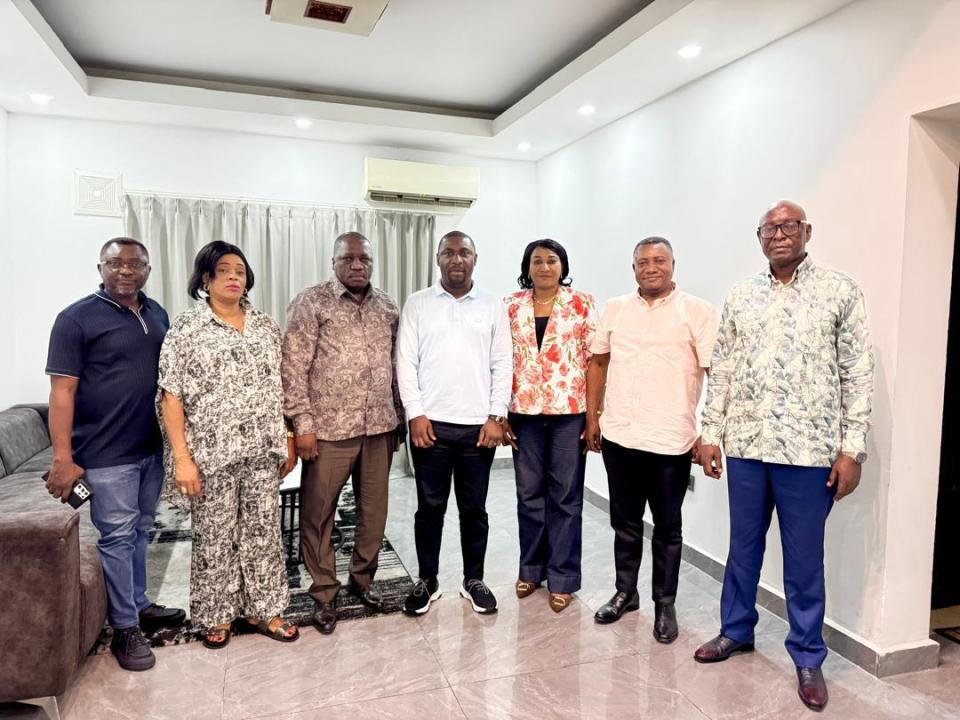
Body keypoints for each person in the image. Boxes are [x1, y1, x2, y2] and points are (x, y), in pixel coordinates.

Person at [694, 201, 874, 712]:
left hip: (810, 452)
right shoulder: (742, 296)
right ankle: (736, 631)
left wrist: (851, 448)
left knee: (803, 560)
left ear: (806, 232)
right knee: (742, 547)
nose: (779, 234)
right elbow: (722, 369)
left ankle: (808, 655)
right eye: (770, 228)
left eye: (788, 226)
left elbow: (857, 372)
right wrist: (711, 432)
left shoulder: (840, 291)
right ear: (759, 237)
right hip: (748, 446)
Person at [45, 237, 184, 672]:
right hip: (106, 456)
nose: (126, 270)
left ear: (147, 269)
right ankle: (125, 627)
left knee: (141, 531)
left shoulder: (157, 313)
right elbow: (61, 393)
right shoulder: (75, 319)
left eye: (135, 264)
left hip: (150, 450)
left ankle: (139, 603)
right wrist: (63, 459)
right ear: (100, 267)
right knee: (118, 538)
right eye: (116, 263)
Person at [157, 241, 299, 650]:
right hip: (211, 455)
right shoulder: (186, 329)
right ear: (206, 278)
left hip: (261, 450)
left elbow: (281, 389)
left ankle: (265, 609)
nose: (234, 277)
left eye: (240, 270)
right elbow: (171, 396)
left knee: (263, 533)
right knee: (215, 536)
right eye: (224, 270)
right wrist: (182, 458)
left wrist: (287, 437)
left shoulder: (266, 326)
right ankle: (215, 615)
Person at [585, 237, 718, 643]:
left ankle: (665, 604)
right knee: (623, 523)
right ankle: (627, 592)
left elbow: (717, 374)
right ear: (633, 268)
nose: (651, 267)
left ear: (673, 264)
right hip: (621, 435)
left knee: (667, 527)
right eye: (643, 261)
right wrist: (593, 417)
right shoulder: (615, 309)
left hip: (670, 442)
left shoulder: (697, 312)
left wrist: (708, 433)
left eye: (659, 260)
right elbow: (599, 363)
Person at [281, 232, 405, 635]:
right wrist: (302, 426)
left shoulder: (387, 305)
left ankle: (363, 580)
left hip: (379, 427)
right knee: (319, 514)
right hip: (328, 431)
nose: (357, 266)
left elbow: (395, 365)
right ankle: (323, 592)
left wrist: (400, 417)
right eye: (348, 259)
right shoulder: (311, 301)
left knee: (374, 513)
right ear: (333, 261)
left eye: (364, 260)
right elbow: (293, 368)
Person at [396, 230, 512, 616]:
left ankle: (473, 579)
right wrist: (415, 413)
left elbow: (502, 363)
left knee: (474, 509)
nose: (457, 259)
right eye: (449, 252)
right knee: (429, 508)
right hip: (430, 427)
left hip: (478, 428)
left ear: (475, 259)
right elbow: (405, 362)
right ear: (438, 259)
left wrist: (497, 416)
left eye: (464, 253)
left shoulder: (493, 306)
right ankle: (427, 580)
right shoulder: (418, 304)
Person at [501, 239, 597, 612]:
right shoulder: (509, 306)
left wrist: (593, 417)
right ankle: (531, 569)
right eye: (537, 261)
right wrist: (500, 413)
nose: (544, 267)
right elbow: (500, 360)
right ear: (527, 267)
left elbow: (594, 361)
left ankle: (563, 577)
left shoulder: (582, 304)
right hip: (523, 413)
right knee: (529, 495)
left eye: (551, 260)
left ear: (562, 266)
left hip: (568, 414)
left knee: (566, 498)